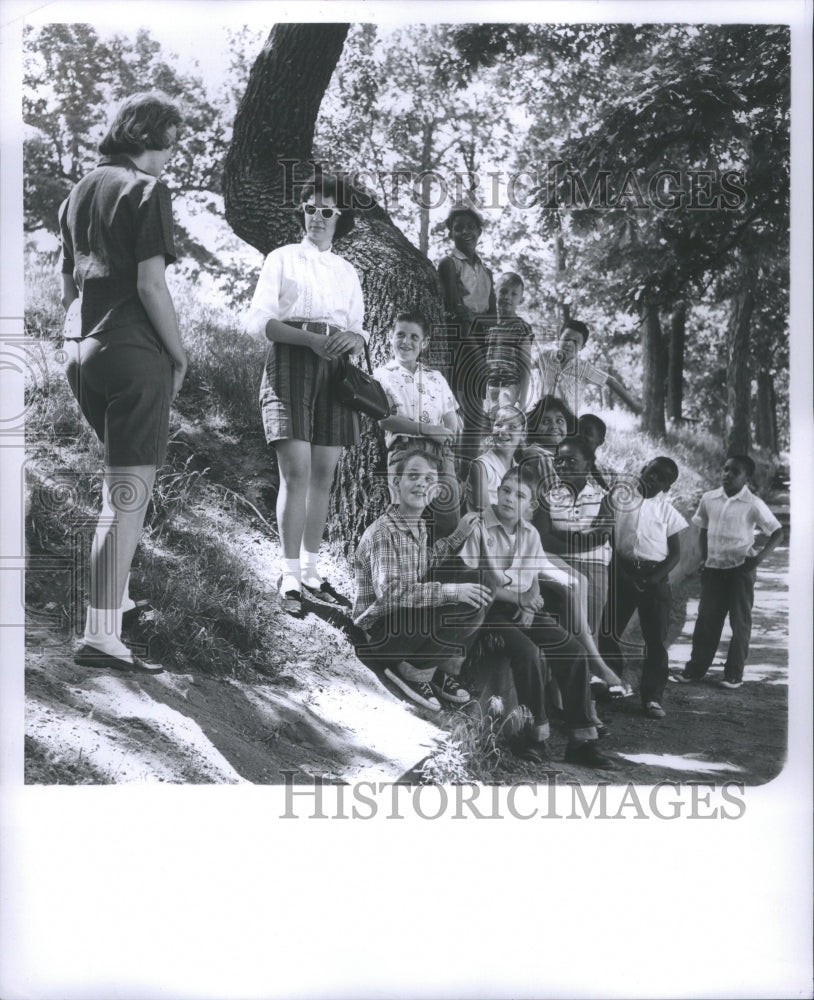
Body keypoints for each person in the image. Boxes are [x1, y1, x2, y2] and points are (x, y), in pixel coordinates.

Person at [58, 91, 186, 674]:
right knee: (126, 497)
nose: (171, 157)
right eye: (170, 143)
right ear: (149, 136)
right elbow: (151, 285)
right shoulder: (146, 189)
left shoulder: (78, 191)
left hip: (80, 352)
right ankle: (100, 635)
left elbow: (69, 287)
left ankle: (120, 600)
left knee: (119, 489)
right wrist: (178, 354)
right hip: (133, 350)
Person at [245, 172, 368, 617]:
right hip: (292, 361)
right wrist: (311, 340)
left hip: (335, 370)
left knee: (323, 475)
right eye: (311, 208)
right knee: (295, 473)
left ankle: (313, 568)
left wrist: (351, 341)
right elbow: (263, 322)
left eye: (327, 211)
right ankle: (290, 572)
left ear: (341, 218)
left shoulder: (347, 271)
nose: (317, 217)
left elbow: (357, 329)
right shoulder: (281, 258)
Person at [457, 465, 615, 768]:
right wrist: (523, 600)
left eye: (519, 495)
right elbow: (480, 581)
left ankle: (581, 741)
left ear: (530, 506)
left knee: (573, 650)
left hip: (520, 607)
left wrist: (529, 604)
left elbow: (531, 574)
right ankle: (533, 736)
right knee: (528, 653)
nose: (508, 499)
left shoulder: (529, 533)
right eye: (505, 490)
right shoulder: (479, 527)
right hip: (487, 612)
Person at [353, 448, 492, 712]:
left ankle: (427, 664)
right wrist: (451, 591)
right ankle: (414, 671)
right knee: (459, 597)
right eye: (413, 476)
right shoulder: (384, 532)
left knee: (476, 580)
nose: (421, 483)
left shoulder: (418, 526)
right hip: (383, 635)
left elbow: (425, 563)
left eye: (429, 479)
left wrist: (458, 536)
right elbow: (392, 593)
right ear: (397, 483)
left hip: (405, 622)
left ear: (437, 489)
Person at [673, 455, 783, 689]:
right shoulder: (709, 498)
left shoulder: (753, 503)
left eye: (735, 472)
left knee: (739, 622)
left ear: (747, 478)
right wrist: (704, 558)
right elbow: (702, 528)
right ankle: (695, 670)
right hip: (713, 571)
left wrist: (757, 560)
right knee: (706, 622)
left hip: (740, 571)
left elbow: (777, 532)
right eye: (725, 470)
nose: (727, 475)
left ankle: (733, 674)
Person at [602, 457, 688, 718]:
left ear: (667, 487)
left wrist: (654, 579)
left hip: (655, 578)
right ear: (642, 470)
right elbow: (609, 540)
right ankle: (611, 683)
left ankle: (651, 696)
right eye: (651, 473)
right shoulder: (619, 500)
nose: (653, 479)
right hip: (622, 572)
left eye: (662, 479)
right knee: (607, 630)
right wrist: (622, 573)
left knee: (655, 640)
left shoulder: (667, 512)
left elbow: (675, 555)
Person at [375, 312, 461, 539]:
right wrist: (429, 430)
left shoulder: (435, 377)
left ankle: (434, 567)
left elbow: (450, 417)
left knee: (448, 518)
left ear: (424, 343)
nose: (407, 341)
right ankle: (404, 569)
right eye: (401, 334)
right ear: (389, 337)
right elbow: (385, 419)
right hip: (405, 449)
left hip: (439, 453)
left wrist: (448, 435)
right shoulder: (382, 376)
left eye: (414, 337)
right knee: (405, 517)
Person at [436, 203, 496, 465]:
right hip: (458, 342)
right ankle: (451, 465)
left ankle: (468, 468)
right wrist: (471, 318)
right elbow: (454, 308)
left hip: (481, 341)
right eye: (458, 228)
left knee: (475, 407)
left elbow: (493, 316)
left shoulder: (487, 271)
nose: (465, 232)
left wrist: (475, 318)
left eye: (470, 227)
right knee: (456, 404)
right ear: (451, 233)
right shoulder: (449, 264)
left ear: (479, 231)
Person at [533, 319, 641, 416]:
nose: (569, 344)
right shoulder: (545, 357)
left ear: (582, 347)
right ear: (559, 338)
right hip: (541, 416)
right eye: (566, 338)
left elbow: (611, 381)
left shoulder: (584, 369)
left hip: (567, 422)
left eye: (576, 342)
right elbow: (524, 367)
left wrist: (633, 405)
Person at [483, 272, 535, 415]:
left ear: (521, 300)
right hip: (487, 385)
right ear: (495, 293)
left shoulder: (521, 327)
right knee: (487, 425)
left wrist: (522, 400)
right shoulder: (487, 325)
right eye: (503, 291)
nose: (507, 297)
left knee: (505, 421)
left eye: (514, 294)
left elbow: (525, 365)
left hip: (509, 386)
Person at [466, 405, 525, 513]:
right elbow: (484, 513)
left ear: (523, 435)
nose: (503, 430)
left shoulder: (519, 471)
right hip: (483, 527)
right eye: (499, 425)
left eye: (512, 427)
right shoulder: (481, 466)